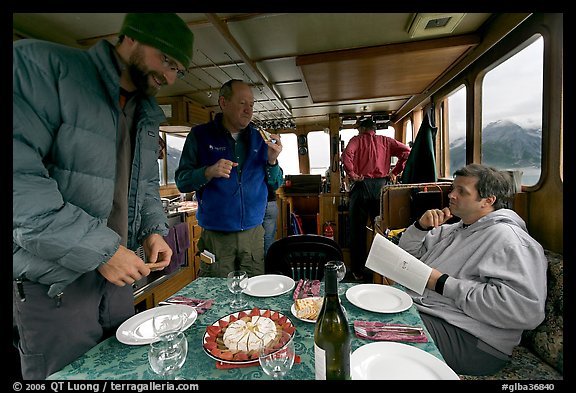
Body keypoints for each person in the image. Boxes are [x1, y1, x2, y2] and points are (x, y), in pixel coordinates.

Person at [12, 13, 194, 380]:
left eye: (179, 70)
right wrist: (104, 251)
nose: (170, 78)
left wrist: (152, 229)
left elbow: (141, 185)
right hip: (55, 286)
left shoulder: (144, 111)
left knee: (126, 373)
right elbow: (20, 187)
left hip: (115, 284)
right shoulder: (41, 68)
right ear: (131, 37)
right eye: (167, 61)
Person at [397, 163, 547, 375]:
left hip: (475, 343)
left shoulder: (509, 240)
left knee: (383, 335)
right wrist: (420, 228)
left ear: (488, 200)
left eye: (462, 191)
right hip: (434, 314)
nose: (452, 195)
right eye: (453, 188)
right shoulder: (456, 229)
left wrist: (442, 283)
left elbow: (525, 310)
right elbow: (408, 257)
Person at [175, 79, 283, 277]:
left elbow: (275, 184)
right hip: (216, 237)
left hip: (253, 235)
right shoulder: (200, 136)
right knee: (217, 295)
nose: (248, 110)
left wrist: (272, 162)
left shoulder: (260, 138)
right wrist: (208, 172)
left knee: (255, 296)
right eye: (242, 103)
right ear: (223, 103)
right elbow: (182, 181)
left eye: (251, 105)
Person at [341, 118, 411, 281]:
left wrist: (352, 175)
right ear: (374, 129)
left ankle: (358, 272)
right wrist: (395, 171)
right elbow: (407, 152)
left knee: (356, 231)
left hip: (362, 186)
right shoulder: (386, 141)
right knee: (382, 231)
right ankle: (381, 272)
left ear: (362, 129)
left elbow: (346, 156)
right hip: (382, 187)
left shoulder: (356, 141)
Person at [263, 171, 283, 256]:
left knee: (252, 237)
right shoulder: (274, 167)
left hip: (255, 204)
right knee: (269, 238)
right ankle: (268, 266)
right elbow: (277, 183)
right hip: (271, 203)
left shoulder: (252, 166)